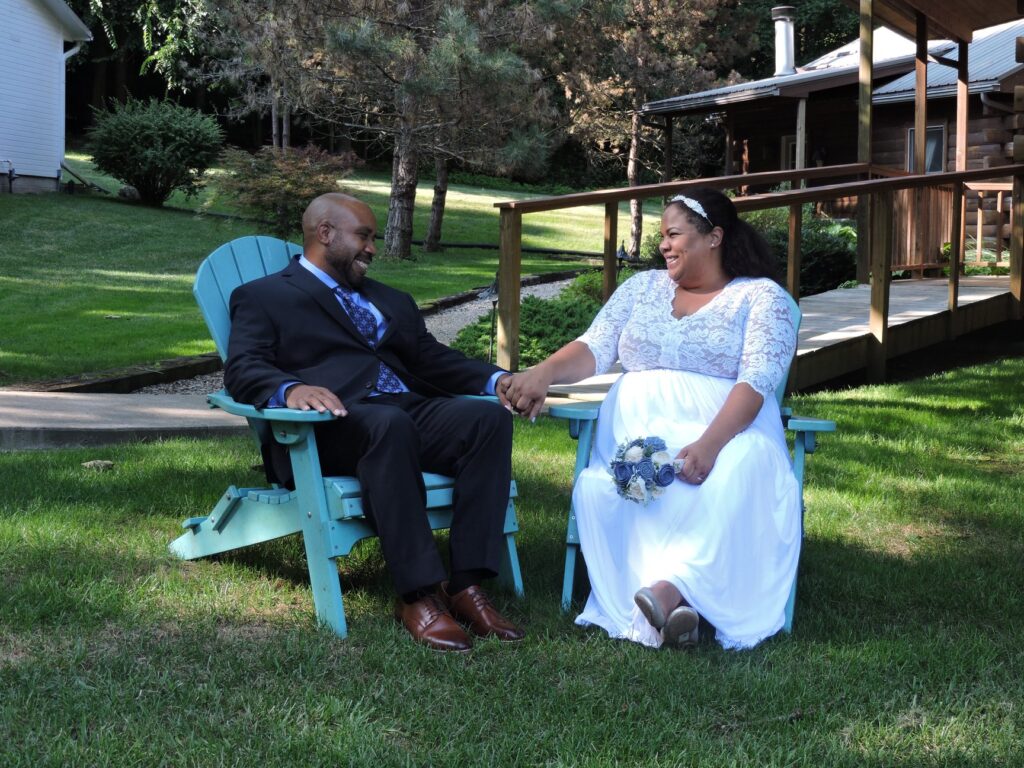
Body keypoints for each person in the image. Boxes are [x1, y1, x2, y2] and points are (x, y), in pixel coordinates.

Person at [224, 192, 524, 653]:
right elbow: (243, 367)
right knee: (388, 424)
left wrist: (497, 380)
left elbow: (430, 359)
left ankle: (465, 586)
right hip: (329, 427)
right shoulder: (264, 296)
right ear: (325, 233)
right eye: (363, 236)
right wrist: (290, 389)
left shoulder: (389, 299)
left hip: (402, 411)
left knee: (486, 421)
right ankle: (417, 595)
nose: (371, 248)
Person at [503, 188, 800, 650]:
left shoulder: (761, 298)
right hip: (638, 443)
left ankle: (668, 591)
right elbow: (595, 346)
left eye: (673, 234)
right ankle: (681, 611)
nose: (662, 245)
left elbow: (757, 382)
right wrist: (542, 373)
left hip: (725, 436)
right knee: (613, 486)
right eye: (661, 235)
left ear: (715, 237)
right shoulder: (642, 288)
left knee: (741, 471)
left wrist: (709, 445)